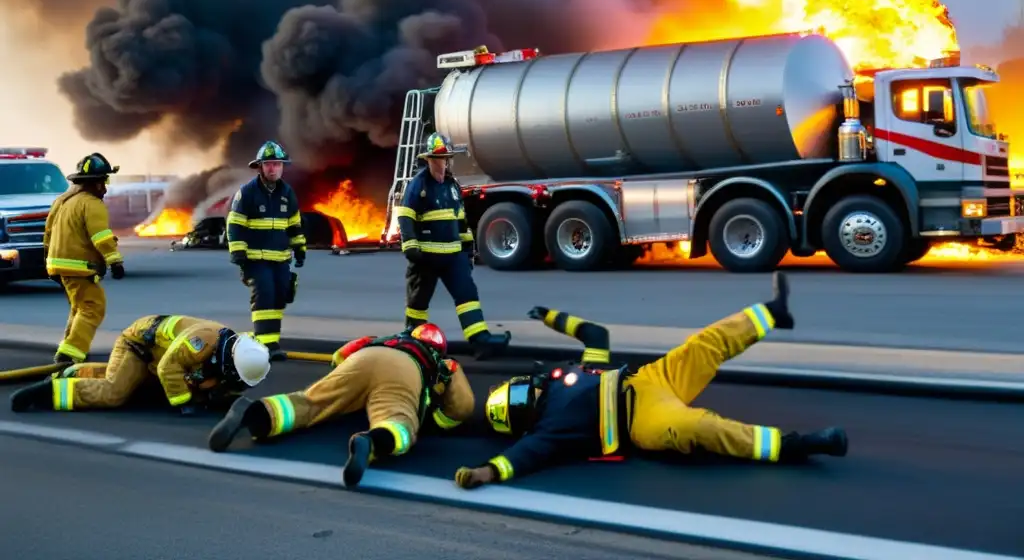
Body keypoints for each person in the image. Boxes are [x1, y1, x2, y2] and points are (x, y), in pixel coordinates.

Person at [455, 272, 848, 489]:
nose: (529, 390)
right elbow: (521, 459)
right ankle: (800, 445)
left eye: (521, 387)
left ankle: (773, 313)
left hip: (646, 381)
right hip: (642, 423)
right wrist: (484, 473)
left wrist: (550, 316)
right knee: (702, 427)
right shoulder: (548, 432)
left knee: (705, 345)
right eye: (523, 398)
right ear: (524, 418)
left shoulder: (564, 377)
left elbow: (596, 336)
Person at [207, 322, 474, 488]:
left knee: (309, 402)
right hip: (404, 371)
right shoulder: (442, 362)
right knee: (398, 421)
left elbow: (339, 356)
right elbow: (463, 406)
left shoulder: (380, 338)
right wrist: (438, 420)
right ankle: (369, 443)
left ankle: (252, 412)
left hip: (363, 358)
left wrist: (348, 387)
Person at [10, 315, 271, 414]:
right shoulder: (199, 343)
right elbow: (169, 369)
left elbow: (222, 382)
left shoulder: (237, 349)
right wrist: (185, 404)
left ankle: (76, 373)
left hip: (160, 355)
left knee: (145, 389)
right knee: (116, 393)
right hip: (139, 346)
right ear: (229, 361)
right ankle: (49, 393)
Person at [396, 132, 510, 359]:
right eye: (438, 158)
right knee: (418, 301)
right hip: (426, 257)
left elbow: (461, 220)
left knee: (467, 295)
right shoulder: (418, 185)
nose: (443, 163)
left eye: (446, 158)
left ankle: (480, 340)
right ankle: (412, 341)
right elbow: (405, 216)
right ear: (428, 159)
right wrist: (410, 246)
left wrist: (468, 251)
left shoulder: (452, 186)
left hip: (453, 256)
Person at [227, 140, 306, 362]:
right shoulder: (248, 193)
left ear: (282, 167)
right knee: (265, 297)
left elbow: (294, 224)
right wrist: (238, 252)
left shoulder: (287, 192)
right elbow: (235, 224)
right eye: (269, 164)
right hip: (255, 259)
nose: (273, 168)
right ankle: (266, 345)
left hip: (280, 259)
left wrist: (299, 247)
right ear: (260, 167)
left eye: (277, 164)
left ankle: (269, 340)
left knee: (280, 296)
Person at [43, 153, 126, 366]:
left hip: (58, 264)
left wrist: (49, 263)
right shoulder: (92, 204)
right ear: (95, 183)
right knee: (92, 307)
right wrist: (114, 260)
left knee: (79, 308)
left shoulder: (62, 201)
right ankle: (71, 355)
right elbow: (101, 236)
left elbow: (48, 233)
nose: (105, 188)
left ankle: (69, 348)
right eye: (104, 181)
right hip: (79, 265)